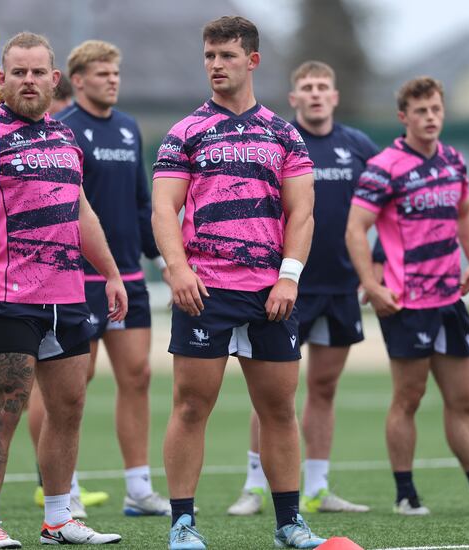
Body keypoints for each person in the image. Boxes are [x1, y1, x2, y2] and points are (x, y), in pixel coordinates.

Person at [152, 16, 327, 550]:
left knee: (278, 409)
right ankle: (183, 524)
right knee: (190, 406)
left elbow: (302, 214)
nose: (215, 65)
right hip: (204, 290)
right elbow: (163, 206)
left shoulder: (283, 133)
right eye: (209, 56)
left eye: (226, 56)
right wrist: (179, 270)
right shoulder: (186, 131)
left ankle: (289, 524)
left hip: (270, 292)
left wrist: (289, 279)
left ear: (251, 60)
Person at [0, 32, 125, 548]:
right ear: (0, 80)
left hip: (66, 292)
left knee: (69, 405)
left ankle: (59, 518)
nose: (27, 80)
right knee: (5, 404)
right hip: (7, 292)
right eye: (17, 72)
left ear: (54, 79)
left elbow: (81, 211)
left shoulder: (67, 139)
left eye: (36, 72)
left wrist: (110, 273)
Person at [345, 76, 469, 517]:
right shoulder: (385, 166)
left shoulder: (452, 160)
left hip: (449, 299)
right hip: (405, 304)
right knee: (408, 398)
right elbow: (356, 228)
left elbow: (466, 210)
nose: (430, 118)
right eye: (420, 111)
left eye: (436, 109)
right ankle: (405, 494)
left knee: (463, 400)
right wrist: (372, 285)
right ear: (403, 117)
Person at [226, 61, 378, 517]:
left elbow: (387, 210)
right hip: (286, 287)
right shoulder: (278, 140)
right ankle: (254, 486)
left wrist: (379, 266)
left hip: (340, 288)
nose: (315, 94)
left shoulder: (359, 147)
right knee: (273, 394)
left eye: (323, 87)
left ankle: (317, 486)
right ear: (293, 98)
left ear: (334, 96)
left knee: (324, 387)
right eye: (307, 87)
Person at [47, 39, 171, 517]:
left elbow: (142, 201)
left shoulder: (128, 128)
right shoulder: (61, 131)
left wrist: (160, 255)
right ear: (77, 81)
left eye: (115, 73)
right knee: (70, 386)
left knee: (137, 376)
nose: (112, 80)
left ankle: (138, 489)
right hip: (77, 279)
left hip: (130, 276)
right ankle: (65, 487)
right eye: (102, 74)